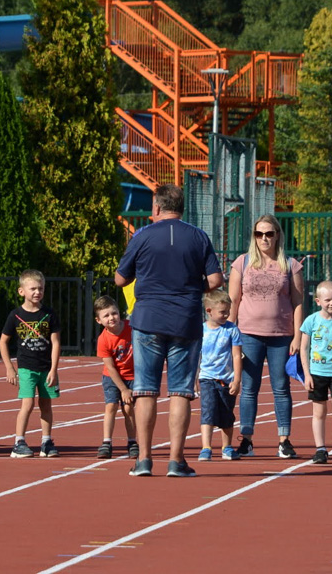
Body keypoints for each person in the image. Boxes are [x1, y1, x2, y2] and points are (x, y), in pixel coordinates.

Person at [115, 183, 223, 478]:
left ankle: (144, 460)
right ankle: (176, 460)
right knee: (181, 391)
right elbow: (215, 279)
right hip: (185, 320)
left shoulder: (143, 235)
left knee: (145, 390)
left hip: (148, 319)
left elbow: (120, 279)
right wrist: (191, 287)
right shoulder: (198, 236)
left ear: (157, 208)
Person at [228, 214, 304, 459]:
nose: (264, 238)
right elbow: (233, 300)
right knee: (249, 388)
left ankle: (284, 440)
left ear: (277, 235)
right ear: (253, 236)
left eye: (269, 233)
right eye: (259, 234)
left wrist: (297, 336)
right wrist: (229, 333)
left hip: (282, 335)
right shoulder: (242, 262)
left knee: (281, 388)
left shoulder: (290, 264)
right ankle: (247, 440)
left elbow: (298, 302)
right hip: (248, 334)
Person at [0, 269, 62, 459]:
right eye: (33, 288)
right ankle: (19, 441)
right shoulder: (16, 315)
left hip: (46, 368)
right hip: (26, 367)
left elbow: (56, 342)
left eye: (41, 288)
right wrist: (10, 368)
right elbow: (3, 341)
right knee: (27, 404)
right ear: (22, 291)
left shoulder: (49, 314)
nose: (37, 292)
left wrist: (54, 369)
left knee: (46, 405)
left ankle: (46, 441)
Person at [299, 280, 332, 465]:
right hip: (317, 373)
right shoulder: (311, 321)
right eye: (328, 299)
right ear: (318, 301)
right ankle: (320, 449)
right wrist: (306, 374)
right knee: (319, 412)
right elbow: (303, 348)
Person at [196, 289, 242, 462]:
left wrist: (237, 379)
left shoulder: (232, 330)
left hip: (226, 379)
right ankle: (206, 447)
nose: (226, 315)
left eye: (228, 312)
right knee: (207, 411)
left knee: (226, 413)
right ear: (209, 311)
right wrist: (195, 378)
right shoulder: (201, 331)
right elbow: (197, 356)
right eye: (223, 312)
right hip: (207, 377)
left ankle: (226, 446)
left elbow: (237, 355)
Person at [94, 295, 138, 459]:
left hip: (133, 375)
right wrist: (123, 389)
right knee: (111, 407)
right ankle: (106, 442)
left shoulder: (132, 328)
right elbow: (111, 368)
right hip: (112, 377)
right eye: (106, 316)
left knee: (128, 409)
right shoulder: (103, 340)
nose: (111, 318)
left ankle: (132, 442)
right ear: (99, 320)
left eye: (114, 313)